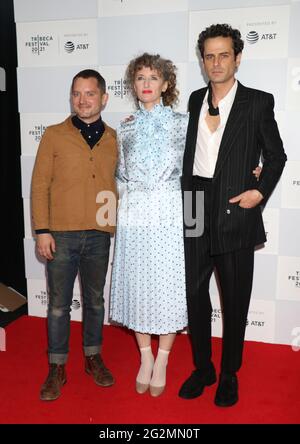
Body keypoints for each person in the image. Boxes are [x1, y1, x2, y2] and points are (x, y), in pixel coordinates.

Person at [179, 24, 287, 407]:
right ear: (202, 60)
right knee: (194, 295)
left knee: (235, 299)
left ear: (238, 58)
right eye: (209, 55)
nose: (216, 62)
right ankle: (203, 367)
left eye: (224, 54)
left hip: (234, 208)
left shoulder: (258, 102)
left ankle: (229, 374)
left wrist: (259, 191)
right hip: (194, 205)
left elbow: (276, 155)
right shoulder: (194, 99)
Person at [31, 69, 118, 401]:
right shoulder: (54, 134)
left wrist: (110, 226)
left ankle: (93, 357)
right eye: (77, 94)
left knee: (95, 302)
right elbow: (39, 186)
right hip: (61, 235)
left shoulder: (114, 138)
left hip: (99, 234)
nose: (83, 100)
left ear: (103, 98)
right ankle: (57, 366)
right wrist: (42, 231)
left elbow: (118, 183)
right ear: (71, 98)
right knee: (57, 305)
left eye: (90, 93)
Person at [109, 53, 188, 397]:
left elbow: (200, 166)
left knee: (169, 286)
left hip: (171, 213)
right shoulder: (124, 127)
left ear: (166, 84)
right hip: (135, 214)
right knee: (139, 284)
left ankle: (164, 360)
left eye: (153, 78)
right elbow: (121, 176)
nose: (146, 84)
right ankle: (144, 357)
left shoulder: (184, 123)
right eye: (140, 78)